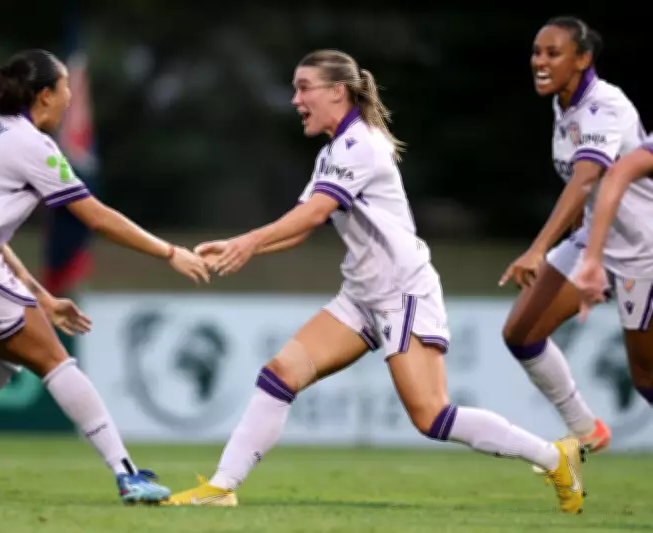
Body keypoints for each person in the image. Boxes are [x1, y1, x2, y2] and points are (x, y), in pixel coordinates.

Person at [164, 49, 586, 514]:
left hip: (401, 292)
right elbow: (305, 226)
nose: (294, 99)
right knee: (279, 374)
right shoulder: (334, 150)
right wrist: (240, 246)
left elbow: (317, 211)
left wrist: (248, 240)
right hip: (362, 294)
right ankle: (223, 486)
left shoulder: (360, 144)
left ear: (337, 91)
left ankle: (554, 457)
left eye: (304, 87)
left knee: (432, 416)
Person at [0, 49, 210, 504]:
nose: (69, 97)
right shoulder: (30, 144)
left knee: (8, 353)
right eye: (65, 88)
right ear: (45, 94)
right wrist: (170, 252)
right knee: (56, 363)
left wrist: (41, 298)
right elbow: (96, 217)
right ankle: (126, 474)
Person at [498, 16, 630, 453]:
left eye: (553, 53)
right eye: (537, 52)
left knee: (645, 376)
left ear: (583, 59)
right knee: (520, 332)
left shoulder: (603, 105)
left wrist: (538, 250)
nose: (539, 61)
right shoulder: (565, 106)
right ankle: (586, 428)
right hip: (598, 238)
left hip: (637, 244)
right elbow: (587, 188)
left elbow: (587, 180)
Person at [575, 137, 653, 407]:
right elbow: (618, 172)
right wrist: (593, 258)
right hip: (638, 257)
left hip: (640, 256)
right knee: (645, 377)